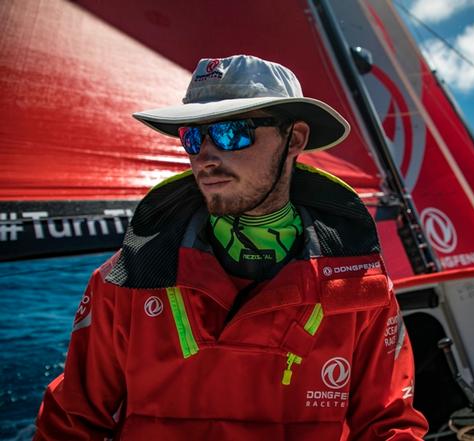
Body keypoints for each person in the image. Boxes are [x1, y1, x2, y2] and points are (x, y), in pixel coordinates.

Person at [35, 55, 428, 440]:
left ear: (295, 138)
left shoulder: (361, 288)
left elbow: (388, 425)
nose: (205, 157)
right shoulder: (126, 281)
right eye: (192, 137)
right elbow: (71, 424)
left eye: (231, 132)